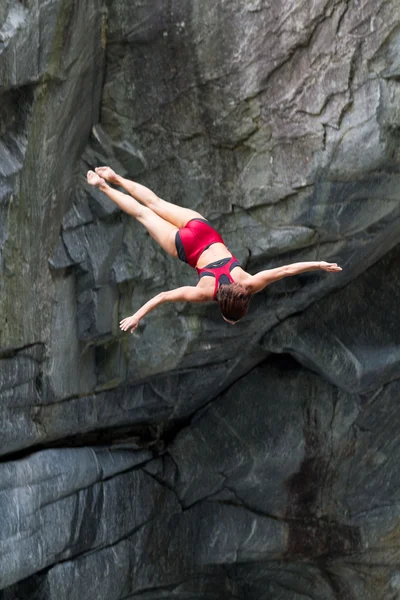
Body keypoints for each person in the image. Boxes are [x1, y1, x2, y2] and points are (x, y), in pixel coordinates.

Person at [87, 168, 342, 332]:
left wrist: (319, 265)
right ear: (221, 305)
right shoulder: (205, 293)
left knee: (155, 202)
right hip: (185, 246)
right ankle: (103, 186)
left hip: (204, 231)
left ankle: (115, 176)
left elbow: (286, 270)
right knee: (143, 213)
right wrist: (136, 316)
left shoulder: (250, 283)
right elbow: (164, 296)